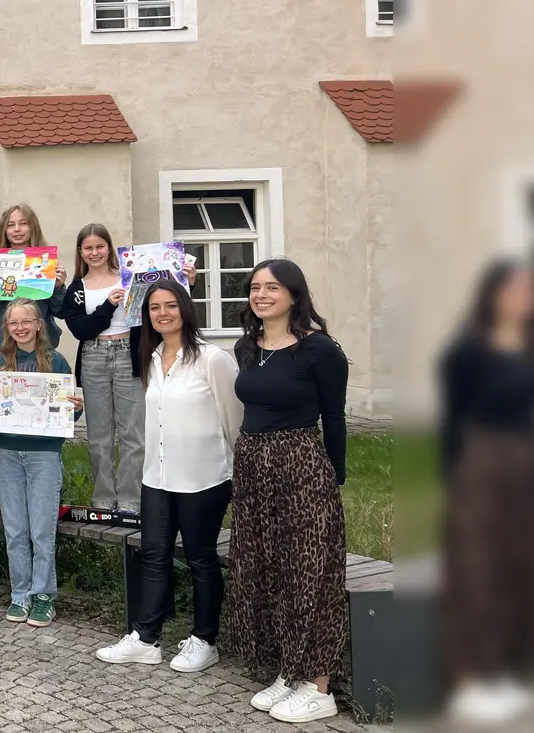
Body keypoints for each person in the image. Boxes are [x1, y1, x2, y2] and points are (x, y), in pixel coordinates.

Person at [226, 259, 349, 724]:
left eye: (272, 287)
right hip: (253, 467)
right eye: (255, 287)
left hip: (301, 466)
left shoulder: (319, 350)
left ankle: (319, 686)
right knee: (268, 569)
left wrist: (333, 476)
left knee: (310, 574)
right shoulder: (247, 346)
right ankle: (289, 669)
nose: (261, 295)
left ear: (294, 295)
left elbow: (334, 418)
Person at [93, 280, 239, 673]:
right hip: (157, 477)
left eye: (171, 305)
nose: (163, 313)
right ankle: (146, 638)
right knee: (154, 556)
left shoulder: (212, 359)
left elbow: (234, 421)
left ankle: (205, 640)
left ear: (185, 309)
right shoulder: (152, 358)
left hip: (203, 478)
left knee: (200, 558)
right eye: (155, 308)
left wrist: (239, 473)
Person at [439, 261, 534, 723]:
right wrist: (457, 480)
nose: (524, 297)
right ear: (492, 294)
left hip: (529, 463)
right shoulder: (467, 350)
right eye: (514, 288)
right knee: (478, 568)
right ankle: (470, 679)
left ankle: (502, 668)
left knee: (522, 564)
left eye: (530, 289)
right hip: (482, 461)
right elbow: (452, 419)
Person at [0, 298, 81, 628]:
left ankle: (44, 595)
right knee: (15, 530)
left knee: (41, 530)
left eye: (26, 321)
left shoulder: (56, 361)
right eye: (13, 323)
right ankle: (20, 594)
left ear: (39, 324)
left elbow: (67, 415)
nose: (20, 328)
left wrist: (75, 408)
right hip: (7, 452)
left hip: (44, 455)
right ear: (6, 328)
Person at [59, 223, 143, 513]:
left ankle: (131, 500)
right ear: (80, 252)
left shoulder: (129, 278)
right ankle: (103, 499)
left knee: (133, 433)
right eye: (88, 248)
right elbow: (81, 330)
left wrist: (189, 283)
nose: (94, 253)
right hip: (94, 355)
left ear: (109, 248)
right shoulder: (77, 289)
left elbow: (161, 303)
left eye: (99, 246)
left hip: (128, 352)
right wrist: (107, 305)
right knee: (99, 436)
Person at [0, 204, 68, 354]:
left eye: (23, 223)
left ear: (33, 227)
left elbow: (60, 311)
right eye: (10, 225)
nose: (17, 229)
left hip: (42, 347)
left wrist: (58, 287)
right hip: (3, 347)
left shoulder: (46, 262)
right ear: (4, 230)